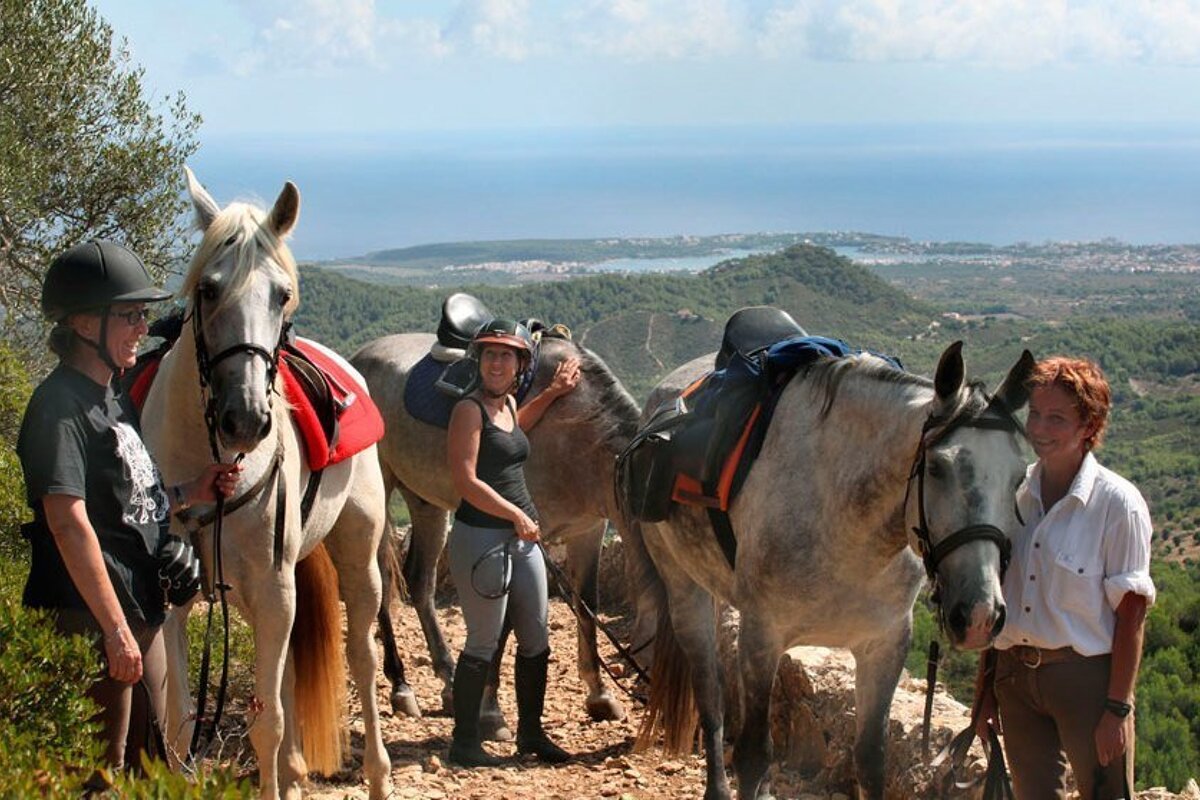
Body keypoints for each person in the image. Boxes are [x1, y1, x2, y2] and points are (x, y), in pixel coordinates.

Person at [17, 240, 241, 782]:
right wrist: (114, 629)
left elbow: (126, 502)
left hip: (140, 610)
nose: (142, 327)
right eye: (129, 315)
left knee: (153, 767)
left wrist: (190, 491)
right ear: (82, 323)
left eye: (143, 314)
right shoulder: (59, 409)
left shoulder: (113, 395)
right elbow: (68, 524)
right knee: (98, 777)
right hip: (87, 619)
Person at [974, 356, 1155, 799]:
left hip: (1085, 682)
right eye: (1034, 413)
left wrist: (1117, 709)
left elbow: (1131, 616)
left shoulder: (1118, 505)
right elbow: (999, 596)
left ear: (1089, 426)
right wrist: (984, 692)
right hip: (1014, 678)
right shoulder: (1015, 494)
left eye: (1056, 418)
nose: (1038, 428)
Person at [444, 317, 581, 767]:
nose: (496, 363)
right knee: (483, 640)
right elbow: (465, 480)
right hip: (482, 537)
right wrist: (516, 514)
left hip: (519, 538)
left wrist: (553, 393)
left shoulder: (505, 405)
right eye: (490, 355)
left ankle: (531, 733)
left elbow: (515, 429)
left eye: (506, 355)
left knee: (536, 636)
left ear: (520, 364)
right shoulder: (468, 410)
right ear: (479, 360)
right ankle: (464, 742)